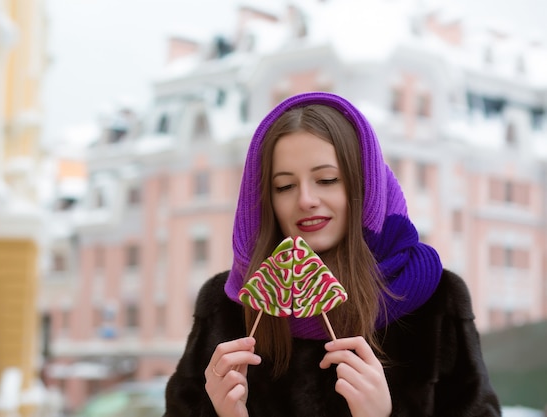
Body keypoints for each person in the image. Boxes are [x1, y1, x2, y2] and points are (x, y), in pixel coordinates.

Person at [164, 92, 501, 416]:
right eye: (284, 186)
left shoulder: (435, 301)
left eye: (327, 180)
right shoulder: (229, 305)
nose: (306, 199)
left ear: (364, 185)